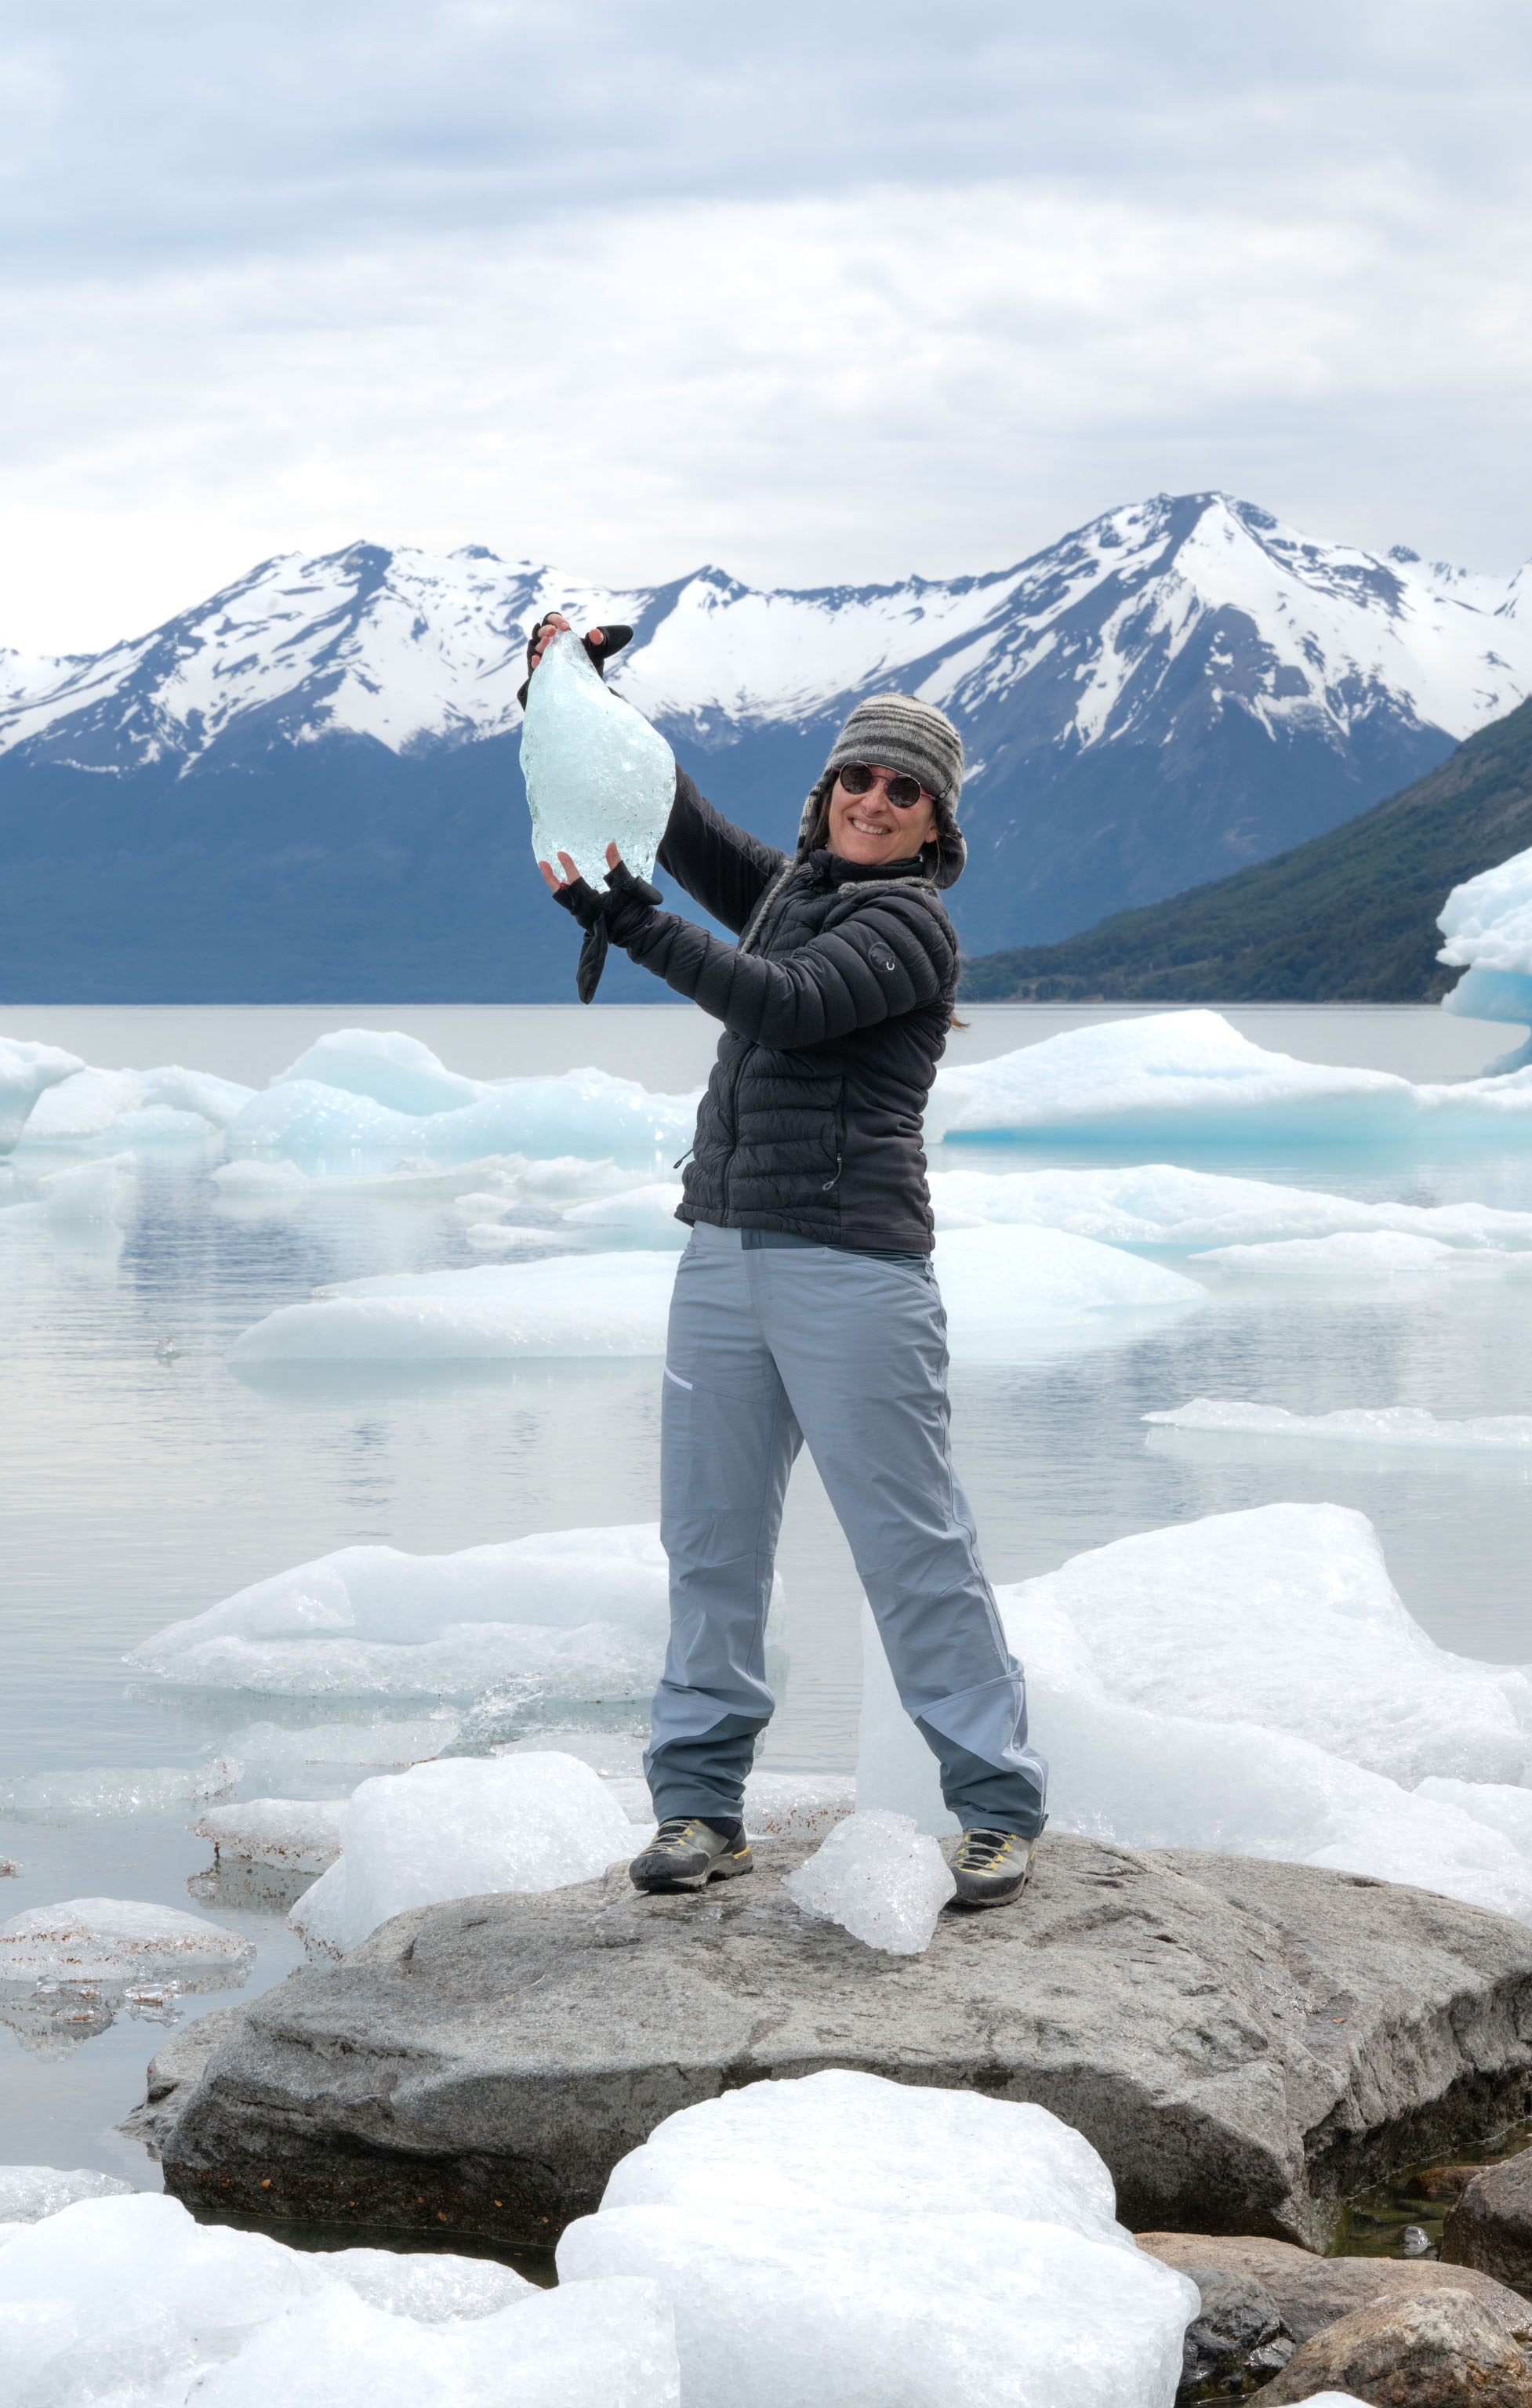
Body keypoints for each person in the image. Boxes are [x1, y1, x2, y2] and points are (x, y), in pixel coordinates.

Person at [526, 613, 1047, 1909]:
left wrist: (632, 923)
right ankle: (701, 1809)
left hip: (853, 1270)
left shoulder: (911, 928)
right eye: (857, 776)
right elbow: (680, 818)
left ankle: (996, 1808)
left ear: (935, 825)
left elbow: (789, 1006)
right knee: (709, 1544)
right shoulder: (788, 892)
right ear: (828, 792)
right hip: (722, 1257)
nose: (874, 798)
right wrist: (580, 692)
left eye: (904, 789)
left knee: (912, 1548)